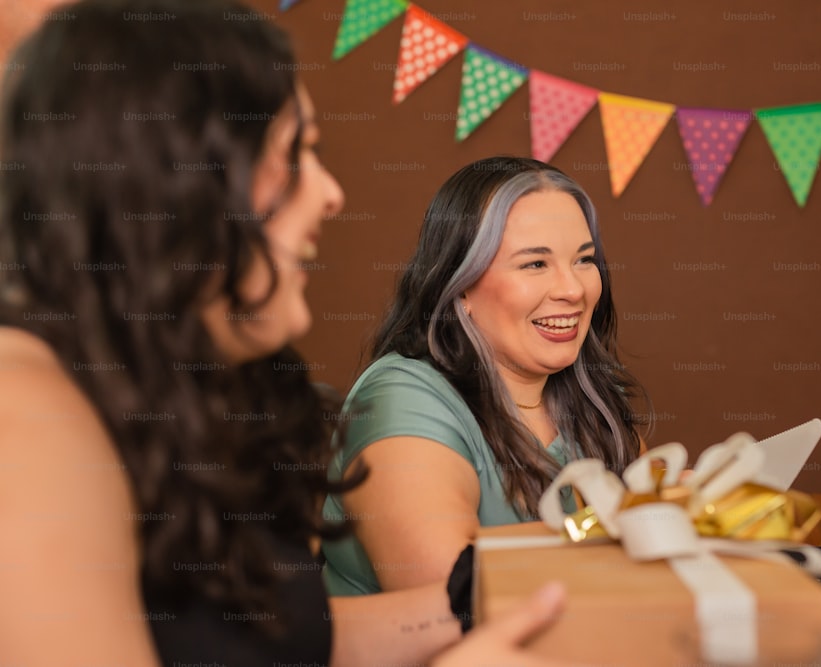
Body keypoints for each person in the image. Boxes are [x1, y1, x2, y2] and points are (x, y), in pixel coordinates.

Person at [0, 1, 572, 665]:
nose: (330, 192)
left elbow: (272, 644)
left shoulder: (180, 395)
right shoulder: (24, 417)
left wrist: (524, 594)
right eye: (294, 152)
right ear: (183, 184)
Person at [322, 156, 648, 598]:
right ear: (460, 286)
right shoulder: (400, 396)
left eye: (584, 260)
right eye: (535, 264)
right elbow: (456, 596)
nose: (573, 289)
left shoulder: (588, 397)